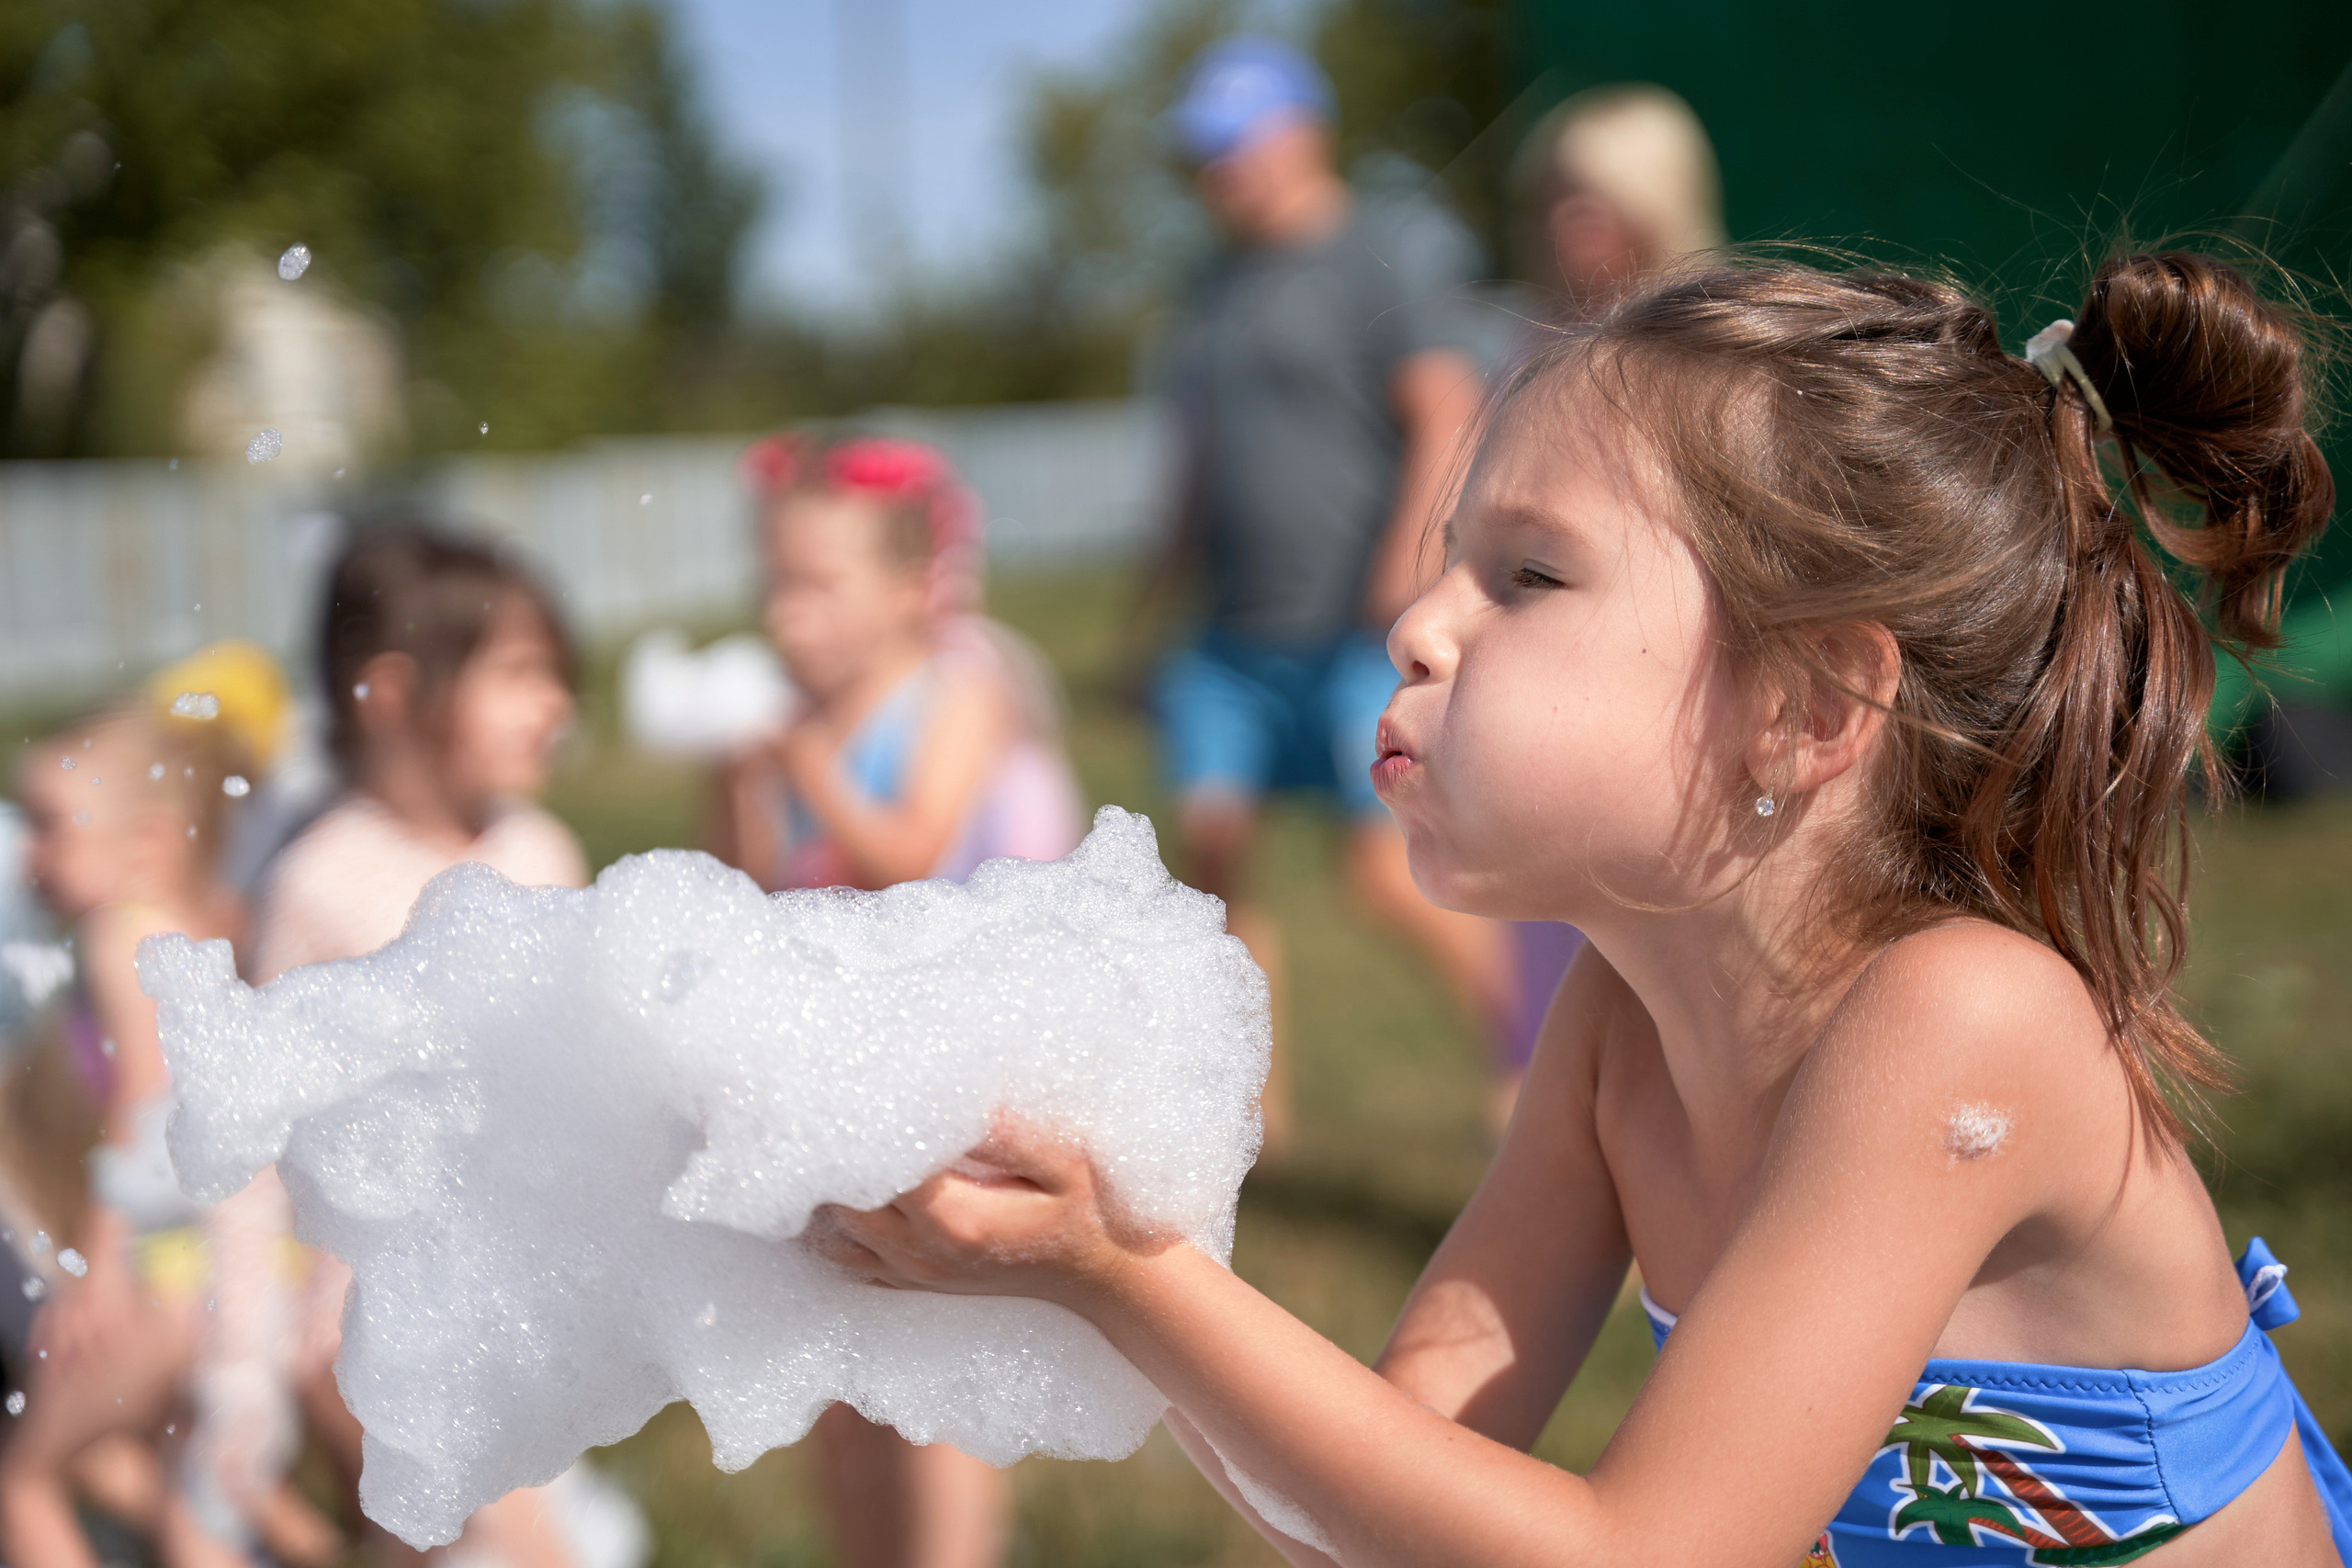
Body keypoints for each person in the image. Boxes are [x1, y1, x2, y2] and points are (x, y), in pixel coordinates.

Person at [816, 249, 2352, 1565]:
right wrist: (1085, 1264)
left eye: (1529, 576)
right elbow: (1365, 1503)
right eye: (1446, 565)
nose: (1417, 625)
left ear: (1807, 709)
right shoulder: (1620, 1029)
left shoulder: (1962, 1021)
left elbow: (1645, 1552)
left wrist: (1124, 1273)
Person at [708, 432, 1083, 1568]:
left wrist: (805, 767)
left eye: (817, 585)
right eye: (775, 582)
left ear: (913, 588)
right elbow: (746, 888)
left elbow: (909, 853)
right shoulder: (789, 719)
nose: (786, 613)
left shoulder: (956, 695)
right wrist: (736, 784)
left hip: (945, 1078)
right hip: (828, 1073)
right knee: (837, 1360)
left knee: (938, 1359)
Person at [1143, 36, 1509, 1155]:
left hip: (1352, 628)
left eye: (1236, 142)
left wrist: (1404, 570)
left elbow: (1445, 410)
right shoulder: (1212, 285)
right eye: (1204, 151)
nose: (1220, 170)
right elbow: (1198, 454)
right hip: (1230, 633)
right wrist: (1153, 597)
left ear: (1302, 131)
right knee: (1211, 859)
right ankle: (1254, 1112)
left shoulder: (1378, 255)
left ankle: (1533, 1053)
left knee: (1385, 869)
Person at [250, 525, 630, 1568]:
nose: (554, 705)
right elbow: (262, 1126)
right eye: (518, 674)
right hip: (380, 1315)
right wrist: (261, 1346)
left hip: (527, 1294)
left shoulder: (540, 849)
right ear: (389, 691)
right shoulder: (321, 882)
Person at [0, 698, 339, 1568]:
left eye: (50, 825)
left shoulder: (118, 935)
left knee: (24, 1481)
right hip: (239, 1284)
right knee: (197, 1514)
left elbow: (144, 1110)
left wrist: (99, 1265)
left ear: (146, 842)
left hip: (163, 1281)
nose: (28, 853)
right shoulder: (208, 934)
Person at [1481, 85, 1731, 1127]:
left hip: (1670, 683)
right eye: (1556, 194)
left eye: (1595, 193)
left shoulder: (1718, 343)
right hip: (1544, 679)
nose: (1569, 217)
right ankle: (1558, 1120)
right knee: (1545, 904)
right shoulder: (1526, 346)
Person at [1509, 84, 1726, 313]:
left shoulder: (1715, 322)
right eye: (1553, 196)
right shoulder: (1515, 326)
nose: (1561, 217)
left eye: (1590, 202)